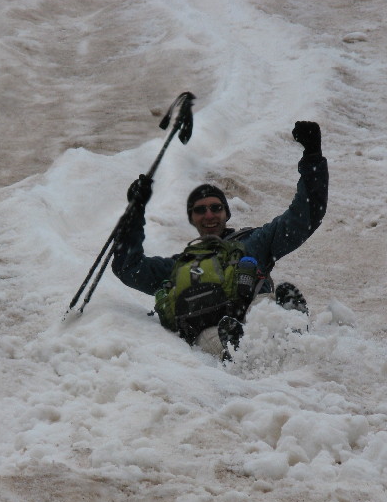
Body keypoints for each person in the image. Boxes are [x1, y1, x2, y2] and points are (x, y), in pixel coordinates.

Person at [112, 121, 328, 357]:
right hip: (213, 331)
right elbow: (129, 267)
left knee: (262, 311)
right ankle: (244, 344)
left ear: (227, 213)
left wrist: (312, 156)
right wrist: (135, 213)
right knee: (217, 338)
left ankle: (282, 327)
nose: (209, 215)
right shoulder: (178, 266)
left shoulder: (253, 242)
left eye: (215, 208)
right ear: (192, 219)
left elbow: (304, 218)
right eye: (200, 210)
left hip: (254, 311)